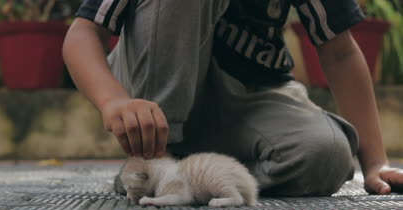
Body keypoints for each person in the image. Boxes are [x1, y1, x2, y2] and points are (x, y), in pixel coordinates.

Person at [63, 0, 403, 196]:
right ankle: (155, 162)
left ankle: (194, 179)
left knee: (325, 156)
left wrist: (375, 163)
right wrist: (113, 101)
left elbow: (340, 52)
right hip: (154, 89)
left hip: (254, 90)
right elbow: (83, 32)